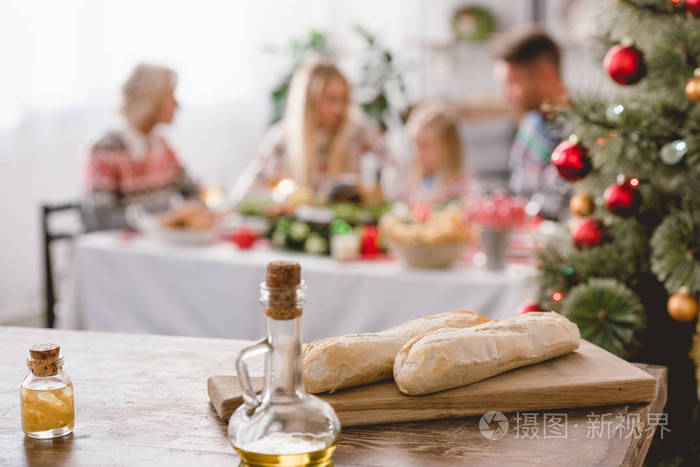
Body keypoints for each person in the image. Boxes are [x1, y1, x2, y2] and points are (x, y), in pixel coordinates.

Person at [231, 58, 389, 204]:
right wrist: (281, 199)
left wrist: (377, 191)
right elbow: (243, 196)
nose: (338, 109)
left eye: (343, 99)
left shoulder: (359, 130)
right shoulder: (281, 138)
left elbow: (398, 164)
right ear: (309, 101)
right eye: (331, 99)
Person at [82, 63, 198, 231]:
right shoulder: (105, 148)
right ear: (152, 100)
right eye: (171, 97)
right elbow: (102, 219)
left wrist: (191, 211)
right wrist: (170, 215)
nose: (177, 105)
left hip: (157, 245)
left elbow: (192, 191)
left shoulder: (161, 146)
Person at [492, 26, 569, 220]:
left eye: (513, 83)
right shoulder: (531, 124)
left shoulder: (584, 133)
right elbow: (517, 192)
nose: (507, 96)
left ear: (546, 75)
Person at [400, 102, 471, 206]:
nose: (418, 154)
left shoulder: (463, 188)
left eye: (425, 146)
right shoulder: (414, 183)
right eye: (416, 146)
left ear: (447, 147)